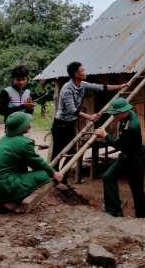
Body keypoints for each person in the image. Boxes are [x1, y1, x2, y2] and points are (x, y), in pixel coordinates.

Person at [51, 61, 128, 191]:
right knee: (58, 153)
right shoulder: (67, 89)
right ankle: (55, 181)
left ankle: (63, 179)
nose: (85, 72)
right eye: (83, 70)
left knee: (72, 152)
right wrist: (90, 117)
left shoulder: (82, 85)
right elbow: (71, 110)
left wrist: (120, 86)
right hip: (60, 124)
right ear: (76, 74)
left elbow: (100, 87)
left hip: (70, 124)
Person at [0, 112, 63, 214]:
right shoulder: (23, 143)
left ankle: (2, 202)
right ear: (21, 126)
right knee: (44, 173)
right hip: (3, 186)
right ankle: (11, 203)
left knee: (21, 167)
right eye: (27, 123)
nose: (29, 125)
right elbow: (38, 163)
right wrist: (54, 173)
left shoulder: (4, 139)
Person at [94, 98, 145, 218]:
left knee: (137, 190)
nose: (113, 117)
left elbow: (118, 145)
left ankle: (142, 217)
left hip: (135, 160)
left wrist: (105, 135)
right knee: (108, 177)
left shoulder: (132, 127)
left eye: (115, 114)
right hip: (124, 157)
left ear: (123, 112)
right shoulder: (129, 114)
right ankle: (114, 211)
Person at [0, 65, 37, 138]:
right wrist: (23, 106)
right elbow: (2, 111)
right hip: (12, 130)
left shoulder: (28, 92)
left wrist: (30, 108)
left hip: (26, 130)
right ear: (13, 79)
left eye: (24, 79)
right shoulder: (6, 92)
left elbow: (29, 114)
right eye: (18, 80)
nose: (21, 82)